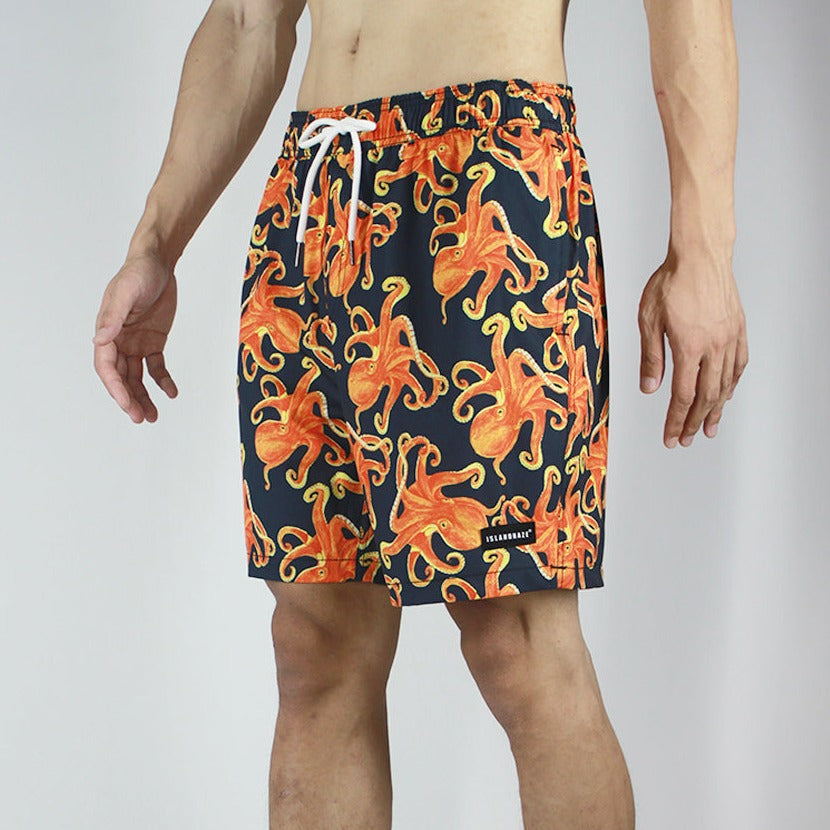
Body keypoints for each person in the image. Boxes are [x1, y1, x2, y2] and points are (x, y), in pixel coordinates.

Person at [92, 0, 747, 827]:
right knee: (314, 642)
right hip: (312, 195)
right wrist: (154, 244)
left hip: (484, 181)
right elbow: (247, 20)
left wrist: (704, 250)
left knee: (518, 641)